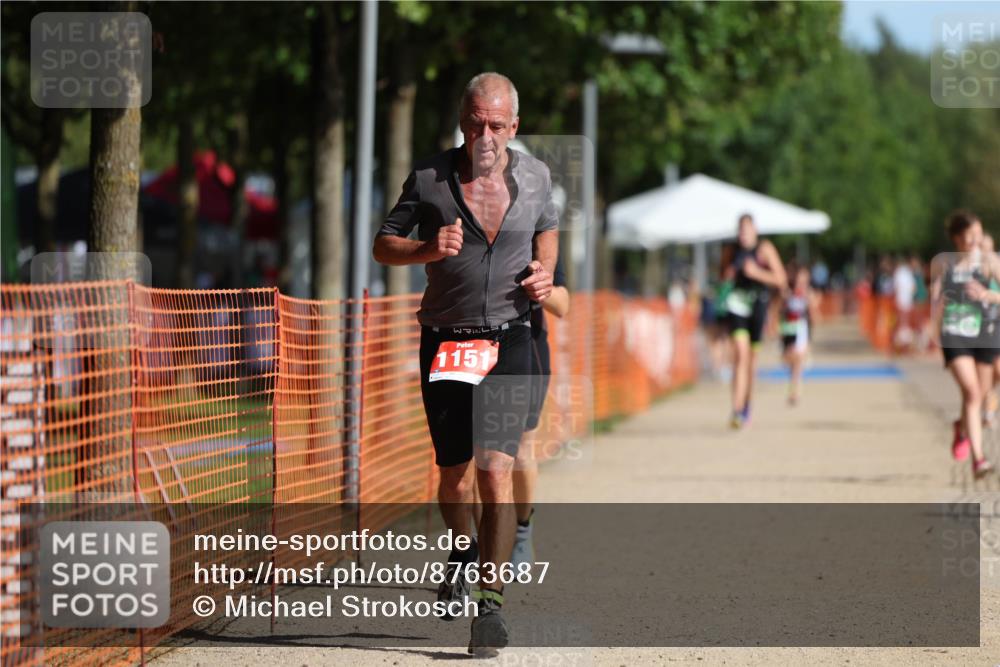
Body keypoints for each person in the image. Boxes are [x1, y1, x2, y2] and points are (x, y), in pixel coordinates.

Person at [373, 72, 559, 656]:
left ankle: (491, 605)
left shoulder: (535, 177)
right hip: (447, 339)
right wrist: (428, 248)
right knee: (453, 474)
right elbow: (383, 243)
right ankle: (460, 544)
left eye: (498, 125)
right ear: (462, 119)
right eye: (476, 122)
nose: (486, 135)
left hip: (510, 338)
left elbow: (547, 232)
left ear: (515, 126)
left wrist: (544, 273)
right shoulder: (429, 177)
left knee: (494, 469)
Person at [509, 258, 569, 568]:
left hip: (528, 349)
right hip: (476, 347)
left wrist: (542, 289)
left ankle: (522, 531)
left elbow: (563, 305)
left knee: (521, 450)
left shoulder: (538, 235)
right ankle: (471, 549)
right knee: (472, 458)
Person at [930, 210, 998, 478]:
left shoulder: (989, 263)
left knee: (979, 396)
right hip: (955, 335)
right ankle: (979, 460)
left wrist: (987, 294)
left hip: (985, 334)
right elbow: (936, 301)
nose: (975, 240)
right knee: (971, 393)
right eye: (970, 235)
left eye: (979, 235)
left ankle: (961, 427)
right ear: (957, 238)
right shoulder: (946, 264)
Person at [723, 214, 787, 428]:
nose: (743, 234)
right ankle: (736, 408)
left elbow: (781, 279)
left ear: (755, 230)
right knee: (739, 354)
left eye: (747, 230)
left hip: (758, 306)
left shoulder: (764, 249)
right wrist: (728, 275)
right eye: (740, 230)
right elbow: (722, 276)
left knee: (751, 362)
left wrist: (757, 273)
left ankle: (747, 406)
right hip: (737, 305)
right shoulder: (731, 250)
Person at [779, 264, 819, 406]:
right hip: (788, 328)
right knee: (790, 359)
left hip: (801, 329)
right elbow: (780, 310)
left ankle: (795, 390)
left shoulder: (809, 294)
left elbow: (814, 316)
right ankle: (794, 382)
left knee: (798, 359)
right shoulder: (787, 293)